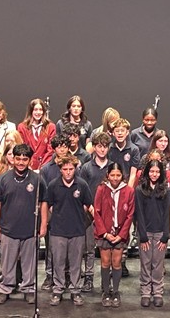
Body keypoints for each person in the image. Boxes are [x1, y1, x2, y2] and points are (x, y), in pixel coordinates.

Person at [0, 143, 47, 304]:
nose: (21, 162)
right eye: (18, 159)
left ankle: (29, 289)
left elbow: (44, 202)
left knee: (29, 262)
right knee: (7, 262)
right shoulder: (3, 179)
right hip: (8, 229)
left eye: (25, 159)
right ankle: (5, 289)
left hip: (30, 229)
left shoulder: (37, 179)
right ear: (13, 159)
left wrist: (43, 224)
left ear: (30, 160)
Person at [44, 154, 94, 307]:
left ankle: (75, 290)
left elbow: (88, 205)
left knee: (75, 263)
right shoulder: (53, 185)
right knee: (58, 261)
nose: (68, 172)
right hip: (58, 230)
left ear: (75, 169)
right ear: (60, 169)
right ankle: (58, 289)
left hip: (77, 231)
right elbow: (49, 205)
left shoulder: (82, 184)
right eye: (64, 169)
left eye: (71, 169)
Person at [93, 162, 133, 307]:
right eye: (112, 175)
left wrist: (121, 235)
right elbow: (96, 212)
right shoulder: (102, 189)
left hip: (119, 233)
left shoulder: (128, 191)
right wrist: (104, 233)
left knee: (116, 262)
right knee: (105, 262)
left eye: (118, 175)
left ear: (122, 176)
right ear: (107, 176)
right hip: (104, 233)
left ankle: (115, 291)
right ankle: (105, 291)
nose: (115, 178)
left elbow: (130, 215)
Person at [79, 131, 113, 293]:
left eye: (105, 147)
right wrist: (90, 208)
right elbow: (83, 190)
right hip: (89, 213)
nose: (102, 150)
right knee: (88, 248)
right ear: (94, 147)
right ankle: (88, 277)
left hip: (107, 215)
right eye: (99, 147)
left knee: (108, 248)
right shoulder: (86, 168)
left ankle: (108, 280)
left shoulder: (112, 167)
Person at [135, 159, 170, 307]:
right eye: (151, 171)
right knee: (146, 263)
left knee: (158, 263)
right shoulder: (140, 189)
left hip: (160, 232)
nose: (154, 174)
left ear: (161, 173)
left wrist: (165, 236)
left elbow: (168, 213)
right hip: (145, 233)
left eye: (157, 172)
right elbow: (139, 213)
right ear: (147, 172)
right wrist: (142, 235)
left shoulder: (166, 190)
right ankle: (145, 292)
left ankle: (157, 291)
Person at [17, 98, 56, 171]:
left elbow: (51, 149)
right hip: (27, 167)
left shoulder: (50, 127)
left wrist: (42, 166)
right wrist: (28, 164)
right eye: (35, 110)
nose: (38, 112)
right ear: (31, 111)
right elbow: (21, 149)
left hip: (44, 167)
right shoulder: (22, 127)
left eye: (40, 110)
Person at [109, 118, 141, 187]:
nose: (120, 133)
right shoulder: (109, 149)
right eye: (117, 131)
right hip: (111, 185)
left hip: (127, 184)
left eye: (122, 131)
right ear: (113, 133)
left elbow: (133, 174)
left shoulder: (134, 149)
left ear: (127, 132)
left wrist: (128, 191)